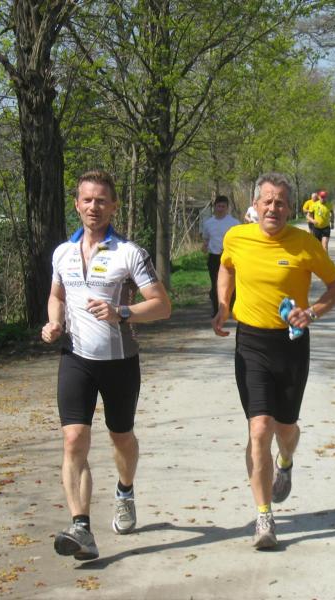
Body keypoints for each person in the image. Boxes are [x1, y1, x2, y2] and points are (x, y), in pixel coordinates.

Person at [41, 170, 171, 561]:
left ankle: (125, 491)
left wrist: (122, 312)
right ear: (76, 205)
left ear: (114, 206)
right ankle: (81, 528)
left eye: (101, 200)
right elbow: (56, 295)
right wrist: (54, 322)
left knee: (121, 437)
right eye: (87, 200)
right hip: (75, 358)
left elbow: (162, 306)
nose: (93, 207)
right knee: (73, 439)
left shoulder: (130, 253)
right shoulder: (62, 253)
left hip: (119, 363)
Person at [212, 172, 335, 549]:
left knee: (285, 429)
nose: (273, 207)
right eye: (267, 201)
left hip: (291, 344)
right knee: (259, 429)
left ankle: (285, 461)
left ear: (290, 208)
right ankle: (264, 517)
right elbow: (226, 267)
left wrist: (312, 312)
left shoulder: (305, 243)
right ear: (255, 205)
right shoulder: (236, 237)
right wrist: (223, 304)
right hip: (251, 342)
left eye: (280, 202)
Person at [202, 195, 240, 317]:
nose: (220, 209)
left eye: (223, 206)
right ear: (215, 207)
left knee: (231, 283)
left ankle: (231, 308)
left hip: (230, 257)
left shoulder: (234, 223)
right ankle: (216, 310)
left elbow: (238, 241)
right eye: (218, 206)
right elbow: (206, 239)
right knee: (215, 284)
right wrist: (204, 247)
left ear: (227, 208)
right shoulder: (208, 223)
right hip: (214, 257)